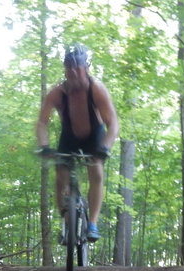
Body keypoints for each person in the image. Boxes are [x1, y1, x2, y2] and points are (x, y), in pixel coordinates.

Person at [36, 43, 119, 242]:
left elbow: (113, 123)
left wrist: (105, 147)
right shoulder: (57, 93)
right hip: (69, 137)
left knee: (96, 171)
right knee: (60, 174)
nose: (74, 72)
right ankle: (66, 221)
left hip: (94, 136)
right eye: (69, 68)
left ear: (86, 67)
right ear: (65, 69)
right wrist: (45, 145)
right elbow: (42, 122)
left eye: (78, 68)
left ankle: (92, 223)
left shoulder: (96, 89)